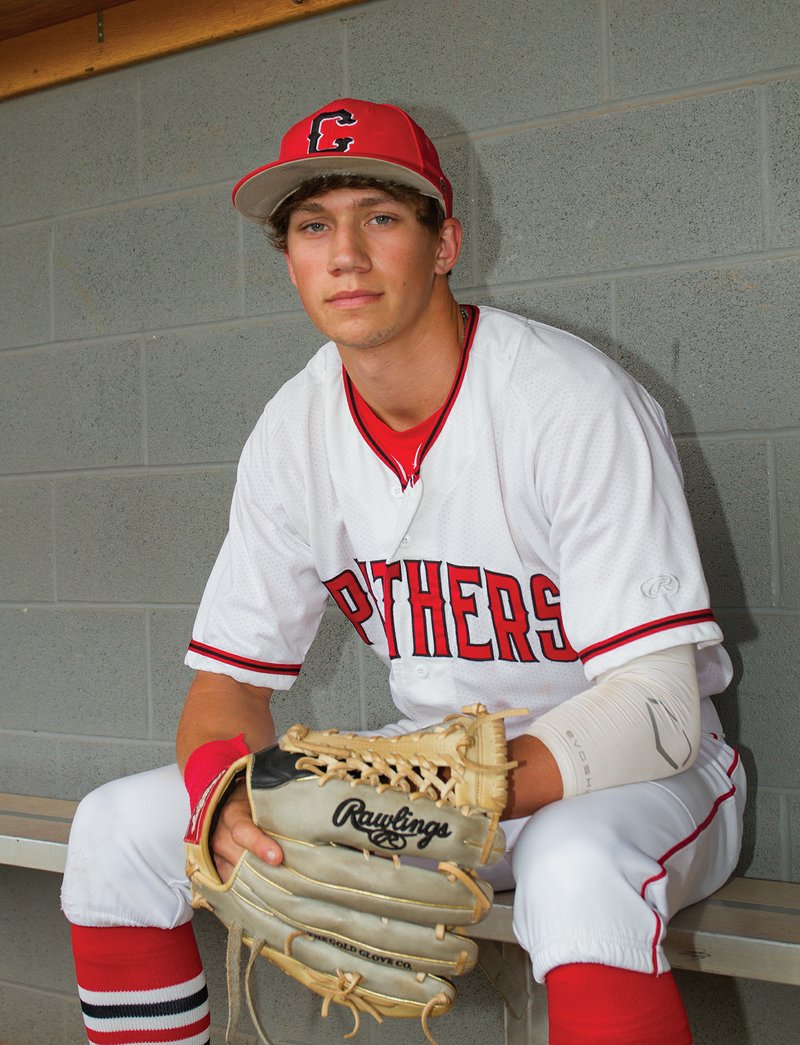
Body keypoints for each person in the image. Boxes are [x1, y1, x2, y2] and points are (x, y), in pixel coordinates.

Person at [62, 98, 746, 1045]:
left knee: (577, 872)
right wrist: (226, 799)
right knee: (114, 830)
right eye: (312, 226)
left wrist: (430, 801)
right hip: (427, 774)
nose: (344, 252)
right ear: (292, 258)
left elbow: (658, 703)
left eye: (380, 217)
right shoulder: (293, 430)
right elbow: (225, 686)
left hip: (631, 774)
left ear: (444, 242)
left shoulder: (571, 400)